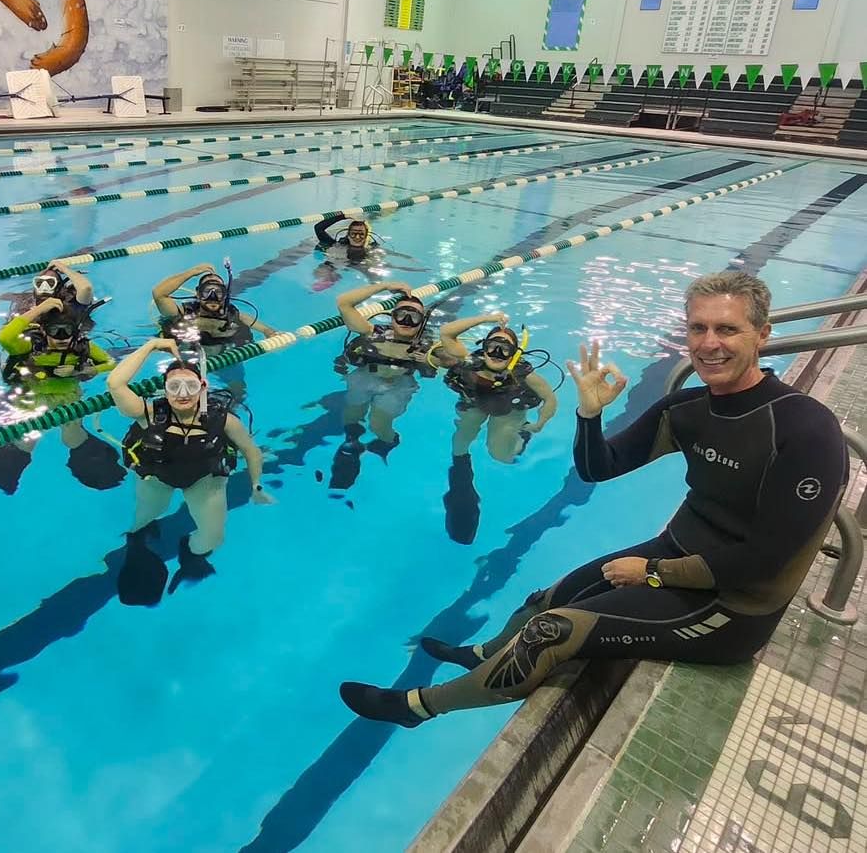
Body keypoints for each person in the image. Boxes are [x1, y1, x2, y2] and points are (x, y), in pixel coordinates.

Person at [339, 271, 848, 727]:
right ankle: (482, 653)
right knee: (549, 596)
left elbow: (764, 561)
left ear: (763, 335)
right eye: (698, 329)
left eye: (727, 329)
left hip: (734, 608)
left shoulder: (805, 431)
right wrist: (588, 415)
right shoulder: (688, 408)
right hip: (678, 550)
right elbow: (598, 467)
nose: (709, 344)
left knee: (551, 631)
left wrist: (652, 573)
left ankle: (417, 708)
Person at [108, 337, 275, 605]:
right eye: (174, 386)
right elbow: (115, 383)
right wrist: (151, 346)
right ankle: (137, 541)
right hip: (156, 478)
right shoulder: (148, 413)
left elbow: (251, 451)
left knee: (213, 537)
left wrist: (256, 485)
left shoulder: (223, 420)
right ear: (164, 390)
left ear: (203, 386)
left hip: (204, 480)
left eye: (190, 385)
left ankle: (191, 554)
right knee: (143, 519)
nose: (183, 393)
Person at [432, 312, 557, 544]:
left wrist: (539, 424)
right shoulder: (471, 360)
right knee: (459, 443)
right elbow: (446, 333)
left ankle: (521, 439)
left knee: (500, 455)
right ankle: (461, 483)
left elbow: (550, 399)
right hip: (476, 404)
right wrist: (485, 318)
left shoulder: (523, 375)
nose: (497, 353)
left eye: (505, 349)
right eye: (493, 346)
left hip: (508, 411)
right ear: (484, 347)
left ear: (515, 354)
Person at [0, 296, 122, 494]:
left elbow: (111, 362)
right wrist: (39, 309)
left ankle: (100, 471)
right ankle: (1, 478)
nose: (63, 338)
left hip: (68, 397)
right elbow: (4, 337)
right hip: (31, 398)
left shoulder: (81, 348)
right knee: (26, 442)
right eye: (56, 332)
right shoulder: (29, 347)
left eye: (68, 332)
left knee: (72, 438)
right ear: (43, 331)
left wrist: (82, 371)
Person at [329, 280, 437, 490]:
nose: (406, 320)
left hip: (399, 384)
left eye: (414, 317)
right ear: (391, 316)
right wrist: (385, 286)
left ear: (422, 322)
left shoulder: (426, 346)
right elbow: (343, 303)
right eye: (401, 314)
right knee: (351, 416)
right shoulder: (373, 332)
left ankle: (389, 441)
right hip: (365, 377)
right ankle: (352, 443)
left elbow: (436, 369)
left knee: (378, 425)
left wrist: (425, 361)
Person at [153, 262, 275, 401]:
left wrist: (270, 333)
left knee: (238, 393)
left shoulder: (234, 315)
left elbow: (267, 330)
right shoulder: (183, 313)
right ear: (198, 293)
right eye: (207, 290)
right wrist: (192, 272)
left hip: (224, 359)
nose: (213, 296)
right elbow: (159, 295)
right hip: (188, 360)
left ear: (225, 294)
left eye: (218, 291)